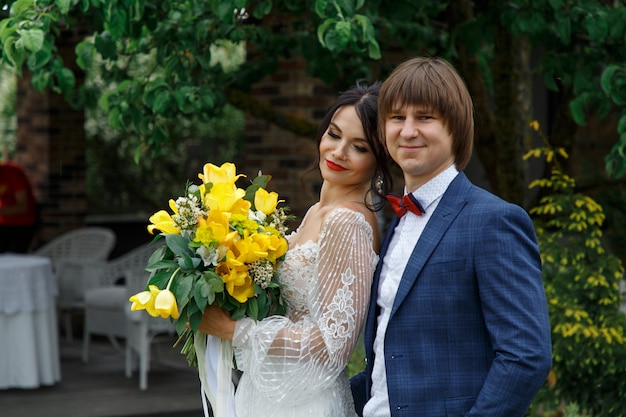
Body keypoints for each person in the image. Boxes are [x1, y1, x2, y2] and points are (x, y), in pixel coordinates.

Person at [350, 57, 553, 417]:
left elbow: (526, 356)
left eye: (424, 117)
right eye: (397, 118)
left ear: (455, 128)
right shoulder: (396, 222)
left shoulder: (494, 221)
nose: (408, 131)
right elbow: (388, 361)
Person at [198, 81, 392, 417]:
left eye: (359, 147)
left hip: (307, 403)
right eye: (333, 134)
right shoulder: (318, 212)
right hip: (270, 391)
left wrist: (233, 330)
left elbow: (334, 345)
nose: (338, 152)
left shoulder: (348, 223)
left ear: (378, 160)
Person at [0, 160, 38, 253]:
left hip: (22, 225)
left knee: (15, 261)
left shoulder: (12, 172)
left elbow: (22, 207)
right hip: (3, 224)